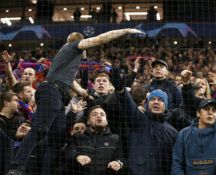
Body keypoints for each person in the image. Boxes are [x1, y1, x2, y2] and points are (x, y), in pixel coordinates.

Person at [7, 28, 144, 175]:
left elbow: (70, 81)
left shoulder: (68, 60)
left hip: (57, 96)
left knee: (57, 138)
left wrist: (82, 93)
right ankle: (17, 167)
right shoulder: (71, 47)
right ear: (79, 43)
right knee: (40, 130)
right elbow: (99, 38)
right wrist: (124, 30)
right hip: (51, 92)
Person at [111, 68, 178, 175]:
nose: (156, 102)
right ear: (147, 103)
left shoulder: (172, 132)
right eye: (152, 99)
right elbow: (129, 105)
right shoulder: (138, 120)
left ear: (166, 106)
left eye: (160, 100)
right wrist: (120, 91)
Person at [171, 99, 216, 175]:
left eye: (214, 110)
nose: (210, 113)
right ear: (198, 113)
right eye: (206, 109)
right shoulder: (183, 134)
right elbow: (177, 163)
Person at [67, 106, 124, 175]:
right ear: (88, 121)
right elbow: (68, 153)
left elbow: (122, 158)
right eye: (94, 114)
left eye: (102, 114)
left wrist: (118, 162)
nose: (99, 116)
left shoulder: (116, 139)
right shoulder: (77, 137)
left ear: (106, 121)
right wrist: (77, 157)